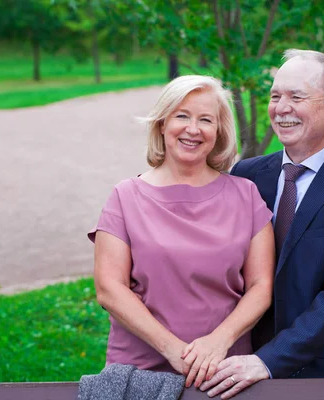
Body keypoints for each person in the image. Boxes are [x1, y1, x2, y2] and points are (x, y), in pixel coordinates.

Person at [200, 49, 324, 398]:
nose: (281, 107)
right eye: (275, 96)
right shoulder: (247, 174)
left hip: (318, 369)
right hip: (233, 363)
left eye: (296, 96)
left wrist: (268, 361)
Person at [88, 75, 275, 389]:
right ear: (162, 124)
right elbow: (110, 288)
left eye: (206, 119)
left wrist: (218, 342)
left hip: (224, 370)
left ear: (218, 131)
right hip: (141, 372)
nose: (193, 129)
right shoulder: (125, 196)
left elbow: (260, 286)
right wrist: (173, 349)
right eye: (182, 116)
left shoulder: (246, 195)